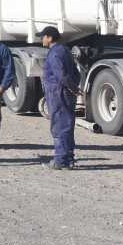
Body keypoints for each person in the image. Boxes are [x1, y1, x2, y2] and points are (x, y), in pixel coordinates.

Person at [38, 26, 80, 169]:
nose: (41, 39)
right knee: (68, 125)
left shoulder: (54, 53)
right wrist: (74, 88)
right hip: (65, 93)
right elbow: (76, 73)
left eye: (43, 36)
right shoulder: (65, 50)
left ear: (49, 38)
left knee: (59, 126)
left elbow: (60, 75)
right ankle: (69, 159)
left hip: (58, 94)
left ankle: (60, 160)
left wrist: (71, 88)